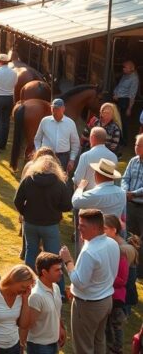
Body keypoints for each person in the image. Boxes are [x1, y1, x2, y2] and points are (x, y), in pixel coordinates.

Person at [59, 209, 120, 354]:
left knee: (83, 347)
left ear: (94, 228)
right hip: (105, 301)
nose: (78, 228)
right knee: (99, 341)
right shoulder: (112, 243)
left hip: (88, 306)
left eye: (82, 225)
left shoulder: (90, 252)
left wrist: (67, 260)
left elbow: (79, 282)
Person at [14, 153, 72, 291]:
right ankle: (60, 290)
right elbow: (67, 206)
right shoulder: (59, 184)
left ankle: (27, 286)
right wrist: (56, 209)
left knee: (30, 253)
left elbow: (17, 201)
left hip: (30, 224)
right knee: (54, 258)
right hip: (50, 226)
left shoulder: (28, 179)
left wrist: (25, 212)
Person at [21, 252, 66, 354]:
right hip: (39, 347)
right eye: (57, 270)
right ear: (44, 272)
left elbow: (56, 312)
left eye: (60, 269)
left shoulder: (55, 287)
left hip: (54, 343)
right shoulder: (36, 296)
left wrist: (60, 328)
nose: (61, 273)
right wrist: (21, 346)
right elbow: (27, 325)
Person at [103, 214, 131, 354]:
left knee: (116, 324)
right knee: (107, 324)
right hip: (106, 295)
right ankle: (109, 346)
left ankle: (117, 348)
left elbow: (122, 280)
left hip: (117, 297)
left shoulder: (121, 252)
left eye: (105, 228)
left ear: (114, 230)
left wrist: (106, 279)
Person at [33, 98, 80, 173]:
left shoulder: (70, 123)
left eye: (57, 109)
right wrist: (39, 152)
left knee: (60, 180)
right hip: (46, 156)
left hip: (63, 158)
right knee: (44, 176)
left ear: (63, 109)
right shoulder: (45, 121)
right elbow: (37, 139)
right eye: (53, 109)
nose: (54, 111)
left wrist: (71, 160)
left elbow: (75, 143)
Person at [122, 134, 143, 264]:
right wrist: (125, 191)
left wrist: (133, 193)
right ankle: (130, 265)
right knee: (130, 236)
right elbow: (125, 178)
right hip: (130, 205)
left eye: (139, 145)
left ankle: (140, 269)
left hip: (141, 207)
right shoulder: (133, 161)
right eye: (135, 144)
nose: (136, 147)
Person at [113, 59, 139, 146]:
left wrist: (129, 108)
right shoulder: (126, 75)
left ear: (131, 68)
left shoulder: (134, 79)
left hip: (125, 101)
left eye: (125, 67)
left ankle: (124, 141)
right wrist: (115, 94)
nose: (123, 69)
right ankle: (117, 138)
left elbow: (132, 95)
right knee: (117, 119)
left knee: (123, 122)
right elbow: (120, 86)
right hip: (119, 99)